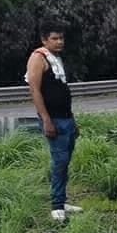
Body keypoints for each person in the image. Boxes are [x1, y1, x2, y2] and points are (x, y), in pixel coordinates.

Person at [25, 18, 82, 221]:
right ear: (44, 39)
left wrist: (73, 120)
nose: (59, 42)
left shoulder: (56, 58)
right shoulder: (38, 58)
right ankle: (56, 205)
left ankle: (62, 200)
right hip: (53, 119)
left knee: (65, 161)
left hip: (66, 117)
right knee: (59, 161)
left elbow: (63, 91)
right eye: (55, 38)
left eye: (61, 38)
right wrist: (46, 119)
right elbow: (35, 89)